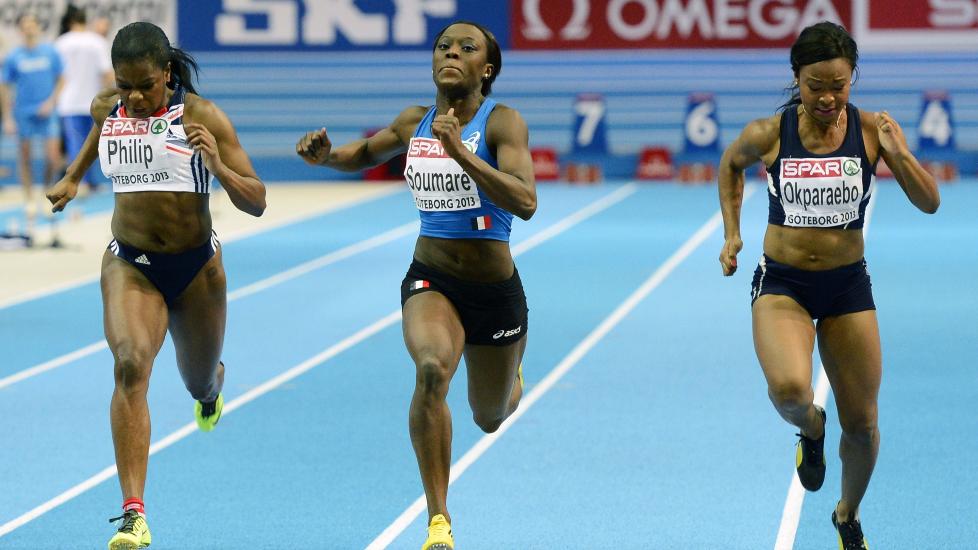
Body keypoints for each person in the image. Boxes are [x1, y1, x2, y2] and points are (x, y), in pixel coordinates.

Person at [297, 20, 535, 550]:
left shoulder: (503, 124)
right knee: (431, 371)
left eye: (466, 48)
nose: (452, 52)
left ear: (486, 69)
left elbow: (526, 201)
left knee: (490, 416)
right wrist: (325, 157)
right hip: (432, 278)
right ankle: (438, 520)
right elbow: (363, 154)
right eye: (443, 46)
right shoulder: (414, 121)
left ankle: (513, 374)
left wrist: (463, 154)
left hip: (495, 292)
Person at [717, 21, 940, 550]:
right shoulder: (769, 134)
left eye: (838, 85)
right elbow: (730, 165)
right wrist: (732, 234)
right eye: (816, 85)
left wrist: (899, 153)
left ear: (852, 79)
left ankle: (847, 515)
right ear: (797, 78)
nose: (827, 97)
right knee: (791, 391)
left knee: (862, 423)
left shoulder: (872, 130)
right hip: (784, 284)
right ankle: (811, 430)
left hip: (846, 288)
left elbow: (930, 201)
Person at [45, 21, 266, 550]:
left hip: (195, 270)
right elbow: (101, 127)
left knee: (197, 381)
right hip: (131, 263)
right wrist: (74, 177)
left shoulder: (201, 116)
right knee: (129, 366)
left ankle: (212, 388)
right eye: (125, 85)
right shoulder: (109, 107)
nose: (136, 97)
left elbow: (257, 200)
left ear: (166, 72)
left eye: (145, 84)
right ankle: (133, 515)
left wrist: (215, 163)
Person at [1, 12, 64, 243]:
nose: (29, 29)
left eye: (32, 25)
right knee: (25, 155)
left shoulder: (50, 52)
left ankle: (46, 190)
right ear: (20, 30)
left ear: (38, 27)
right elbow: (5, 86)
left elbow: (61, 78)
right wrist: (7, 116)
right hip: (23, 113)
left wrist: (52, 101)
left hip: (47, 112)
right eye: (25, 26)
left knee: (52, 156)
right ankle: (28, 199)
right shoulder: (14, 57)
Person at [55, 4, 113, 190]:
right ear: (84, 21)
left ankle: (79, 182)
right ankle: (87, 181)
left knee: (76, 144)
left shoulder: (60, 43)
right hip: (93, 102)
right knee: (93, 144)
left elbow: (56, 75)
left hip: (68, 102)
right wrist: (113, 95)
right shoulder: (97, 42)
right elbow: (107, 73)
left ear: (70, 22)